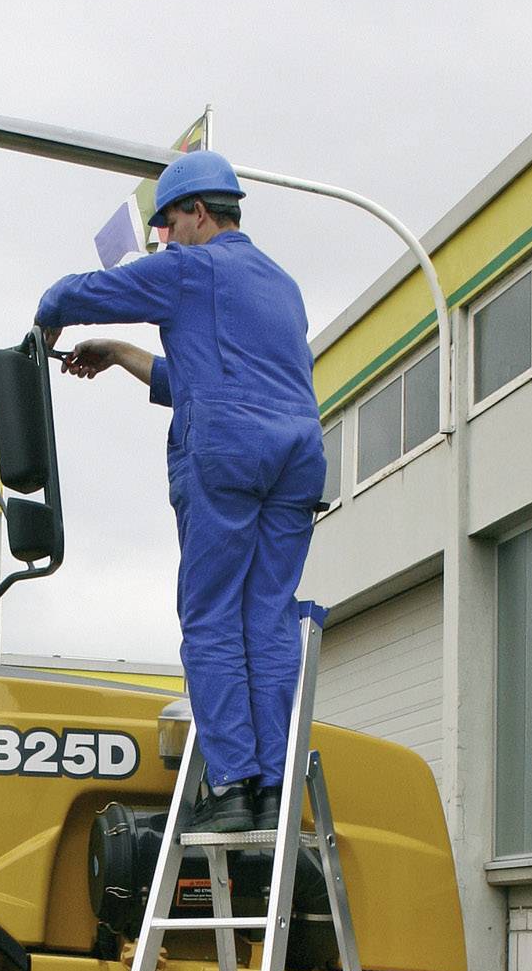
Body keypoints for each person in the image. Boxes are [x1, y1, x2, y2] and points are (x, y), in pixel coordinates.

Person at [34, 150, 326, 834]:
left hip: (227, 453)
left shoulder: (192, 267)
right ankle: (274, 788)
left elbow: (67, 293)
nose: (163, 239)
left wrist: (45, 328)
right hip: (296, 457)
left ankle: (229, 787)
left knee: (211, 616)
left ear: (195, 213)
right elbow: (197, 376)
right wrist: (120, 354)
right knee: (267, 615)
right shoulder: (280, 284)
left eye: (167, 225)